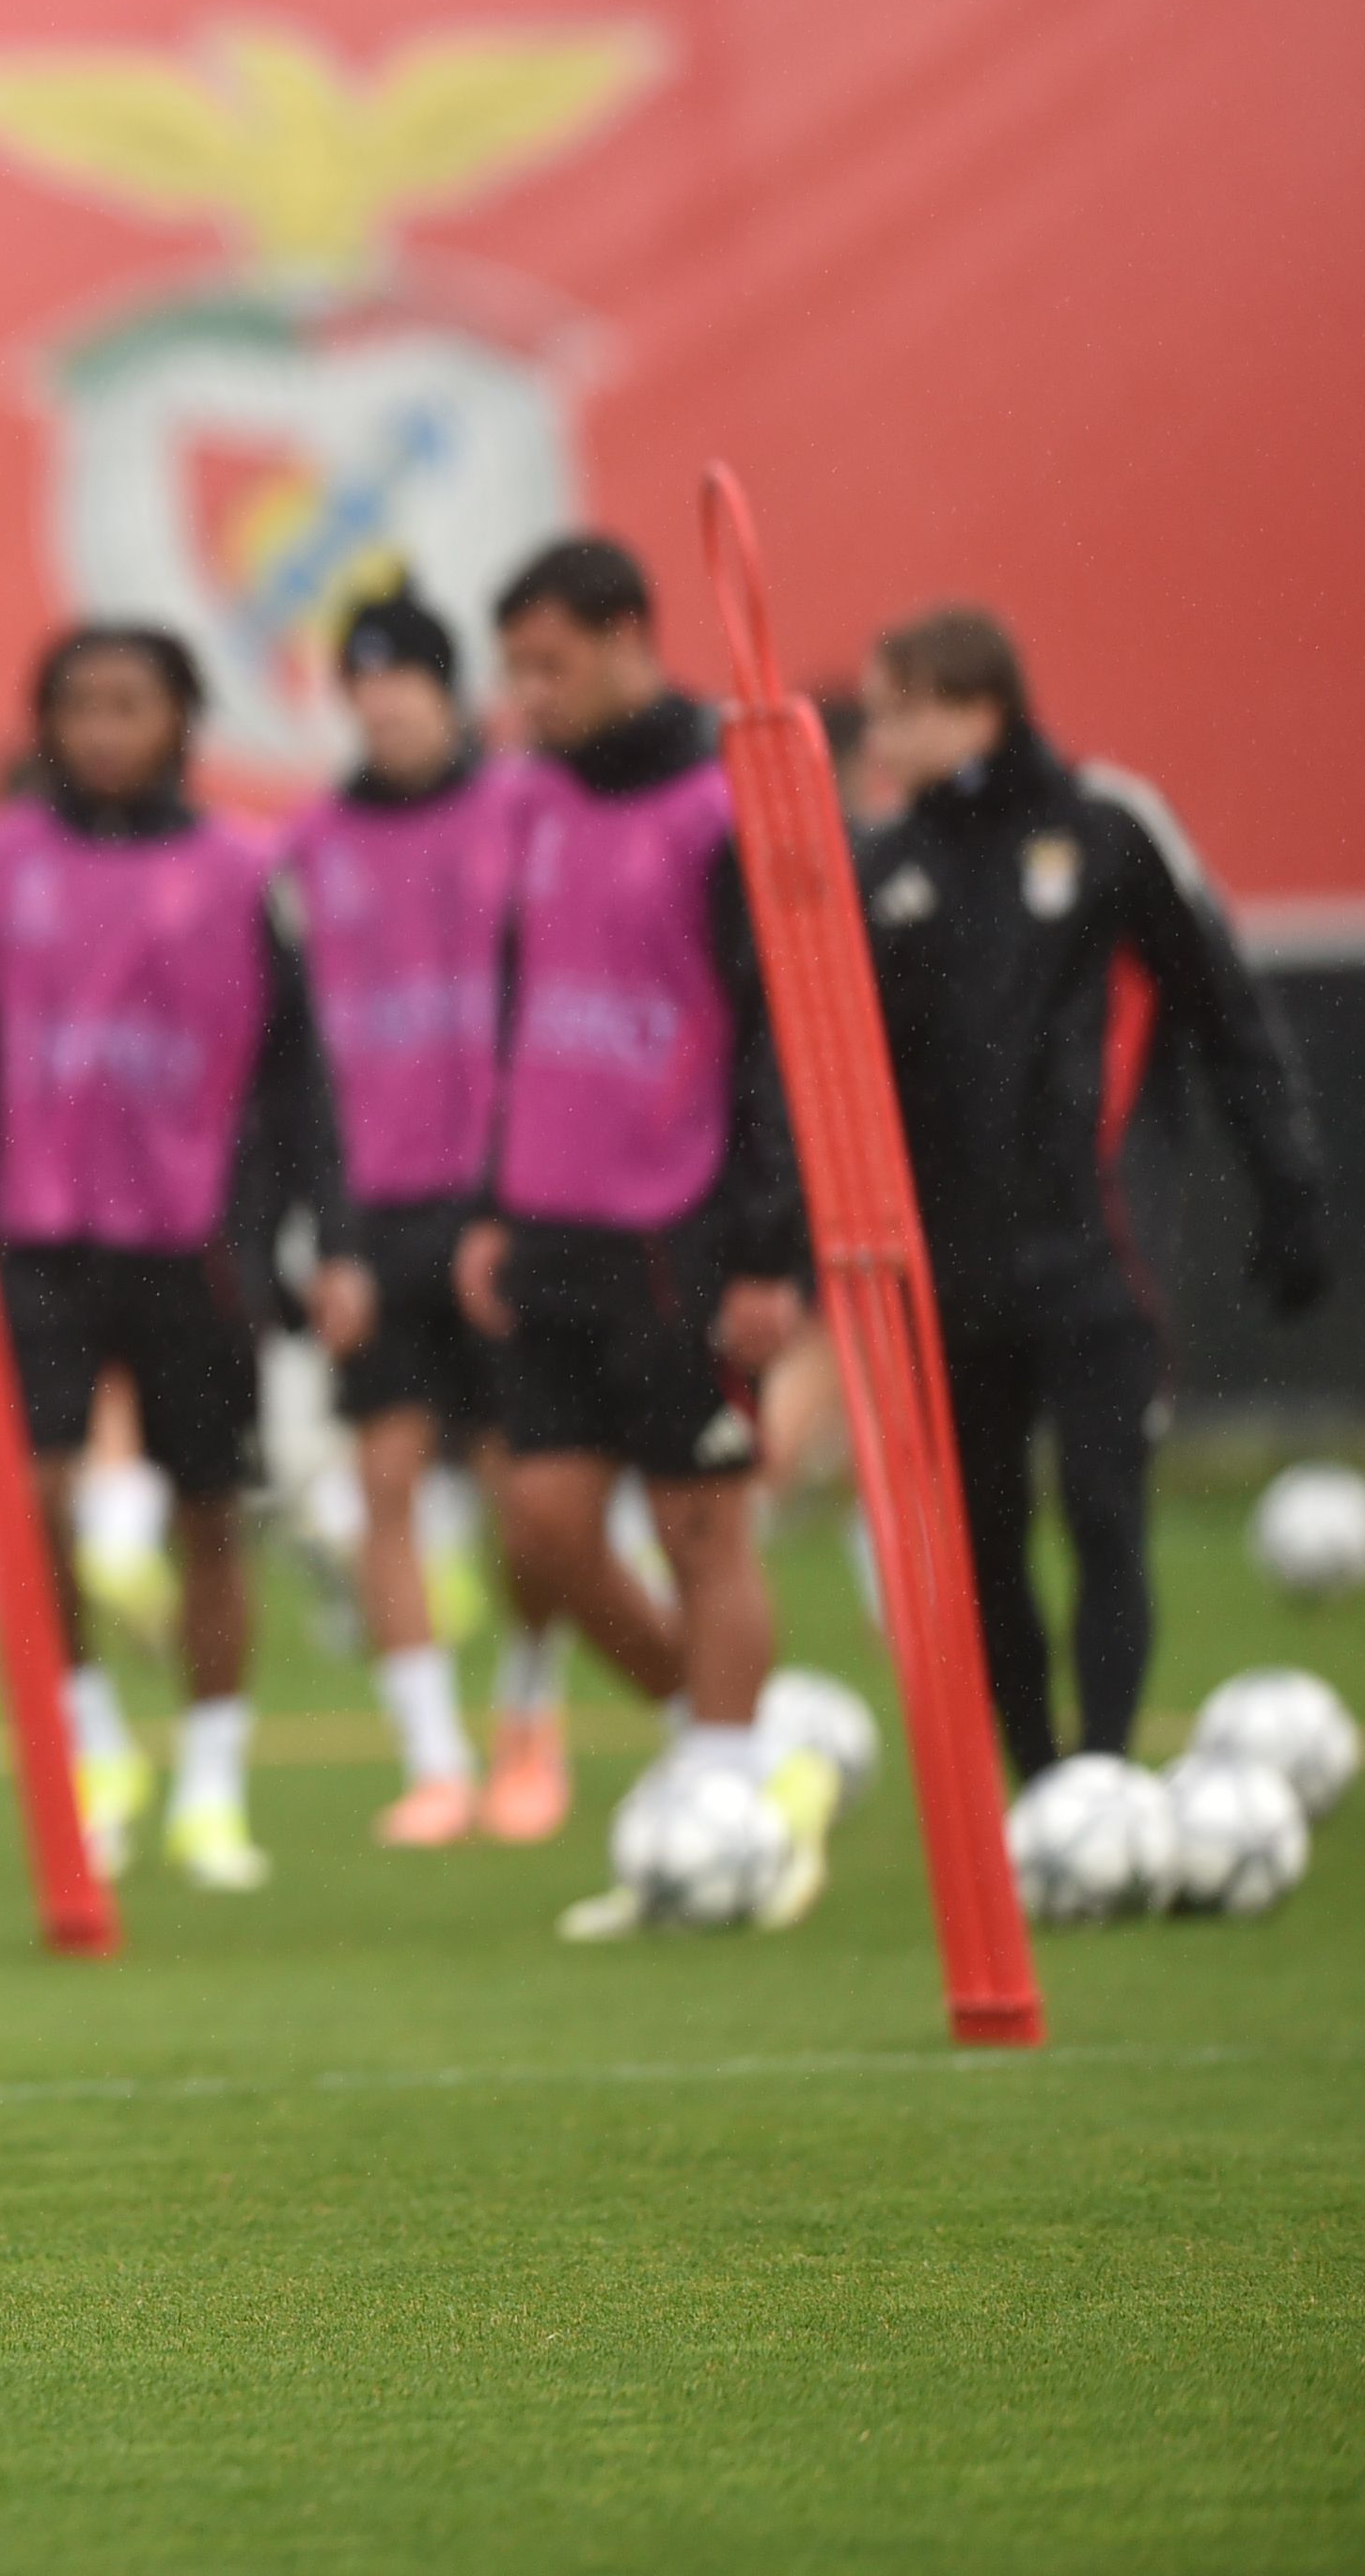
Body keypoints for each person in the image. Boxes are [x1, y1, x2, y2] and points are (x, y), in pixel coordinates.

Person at [0, 626, 366, 1892]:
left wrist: (320, 1233)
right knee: (39, 1503)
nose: (105, 729)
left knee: (211, 1516)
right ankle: (97, 1743)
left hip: (197, 1241)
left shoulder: (245, 869)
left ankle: (215, 1786)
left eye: (132, 705)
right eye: (80, 706)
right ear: (47, 723)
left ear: (182, 720)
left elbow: (302, 1074)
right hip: (41, 1231)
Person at [854, 604, 1330, 1776]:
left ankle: (1105, 1766)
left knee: (1103, 1509)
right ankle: (1037, 1781)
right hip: (951, 1266)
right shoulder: (887, 865)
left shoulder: (1108, 827)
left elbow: (1225, 1011)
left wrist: (1289, 1187)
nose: (875, 738)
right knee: (983, 1533)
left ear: (975, 706)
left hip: (1096, 1245)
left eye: (895, 711)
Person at [454, 535, 824, 1938]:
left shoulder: (724, 802)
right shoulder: (534, 805)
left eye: (548, 665)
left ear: (629, 641)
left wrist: (765, 1254)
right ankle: (731, 1769)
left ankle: (720, 1816)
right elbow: (518, 1003)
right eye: (514, 668)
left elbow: (777, 1037)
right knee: (539, 1533)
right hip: (549, 1223)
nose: (526, 693)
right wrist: (495, 1193)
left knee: (698, 1528)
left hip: (681, 1231)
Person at [280, 589, 573, 1845]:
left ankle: (527, 1720)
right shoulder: (307, 848)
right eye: (363, 681)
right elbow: (293, 1065)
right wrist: (323, 1232)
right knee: (385, 1477)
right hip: (374, 1205)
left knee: (528, 1492)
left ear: (457, 691)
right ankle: (432, 1756)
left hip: (508, 1199)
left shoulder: (528, 809)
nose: (384, 700)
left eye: (407, 677)